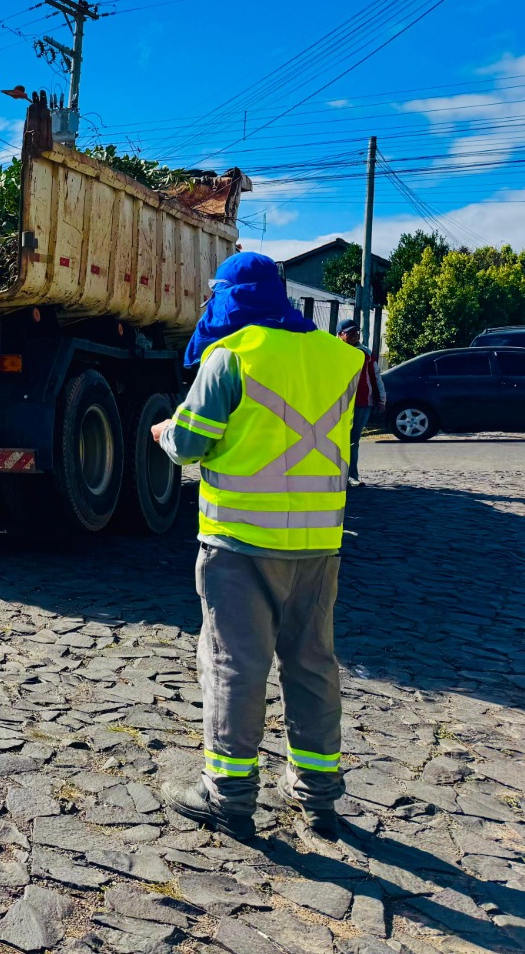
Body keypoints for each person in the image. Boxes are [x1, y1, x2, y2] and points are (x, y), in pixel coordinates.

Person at [150, 252, 367, 841]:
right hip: (319, 544)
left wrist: (165, 431)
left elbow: (191, 444)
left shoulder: (230, 358)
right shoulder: (343, 359)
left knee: (234, 666)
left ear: (228, 298)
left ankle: (229, 795)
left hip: (239, 542)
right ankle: (318, 793)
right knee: (313, 662)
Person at [337, 318, 385, 484]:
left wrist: (381, 399)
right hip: (336, 403)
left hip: (362, 402)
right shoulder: (332, 352)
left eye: (356, 332)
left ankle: (351, 476)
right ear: (339, 334)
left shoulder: (364, 353)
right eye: (350, 332)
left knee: (353, 440)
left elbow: (375, 376)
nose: (355, 335)